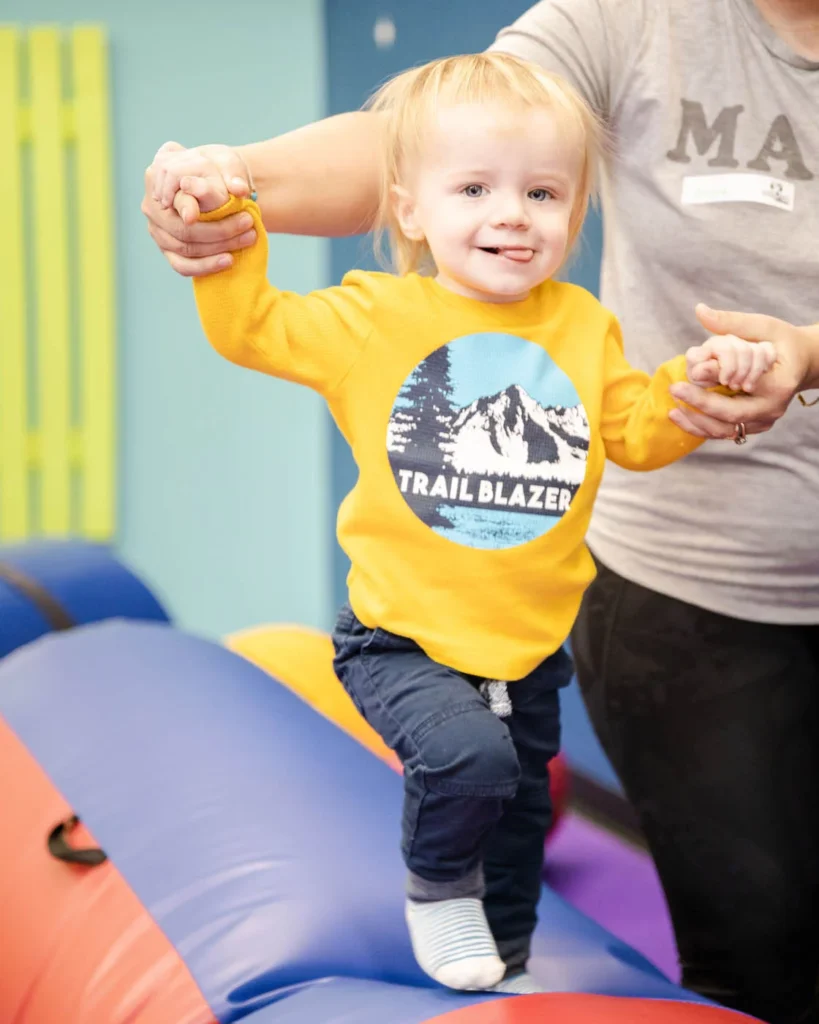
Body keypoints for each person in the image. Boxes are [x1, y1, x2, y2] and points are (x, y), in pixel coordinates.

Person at [142, 3, 819, 1020]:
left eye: (543, 193)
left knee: (512, 824)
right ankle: (433, 895)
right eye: (476, 190)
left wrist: (703, 383)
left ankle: (496, 965)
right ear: (409, 210)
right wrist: (223, 232)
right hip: (402, 638)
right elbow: (258, 330)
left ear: (579, 206)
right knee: (464, 760)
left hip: (527, 647)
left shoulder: (583, 326)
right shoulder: (379, 316)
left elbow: (634, 428)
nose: (513, 214)